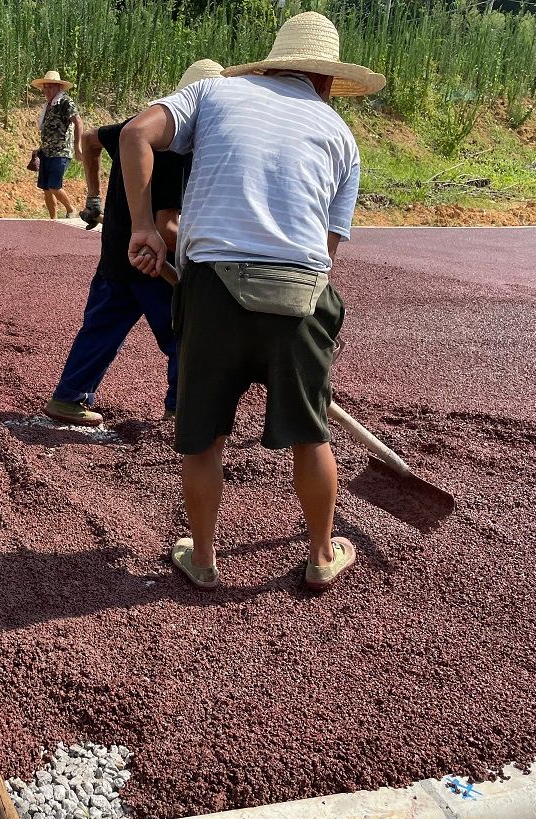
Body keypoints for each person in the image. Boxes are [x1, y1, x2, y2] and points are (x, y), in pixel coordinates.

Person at [119, 12, 386, 592]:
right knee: (311, 433)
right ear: (327, 80)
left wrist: (143, 229)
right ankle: (320, 554)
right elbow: (327, 249)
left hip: (213, 290)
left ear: (270, 61)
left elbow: (135, 132)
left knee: (204, 436)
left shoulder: (214, 93)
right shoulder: (341, 135)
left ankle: (205, 559)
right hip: (302, 297)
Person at [44, 60, 223, 428]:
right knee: (182, 337)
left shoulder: (136, 126)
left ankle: (68, 397)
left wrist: (94, 195)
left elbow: (90, 140)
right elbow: (166, 226)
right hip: (153, 264)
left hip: (115, 253)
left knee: (100, 329)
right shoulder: (178, 148)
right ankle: (181, 410)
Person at [30, 70, 83, 219]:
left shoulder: (65, 102)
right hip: (46, 152)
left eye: (50, 87)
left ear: (57, 87)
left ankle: (71, 209)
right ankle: (53, 219)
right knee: (46, 189)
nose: (46, 90)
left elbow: (78, 121)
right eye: (44, 87)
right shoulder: (49, 105)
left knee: (54, 186)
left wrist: (78, 146)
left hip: (61, 152)